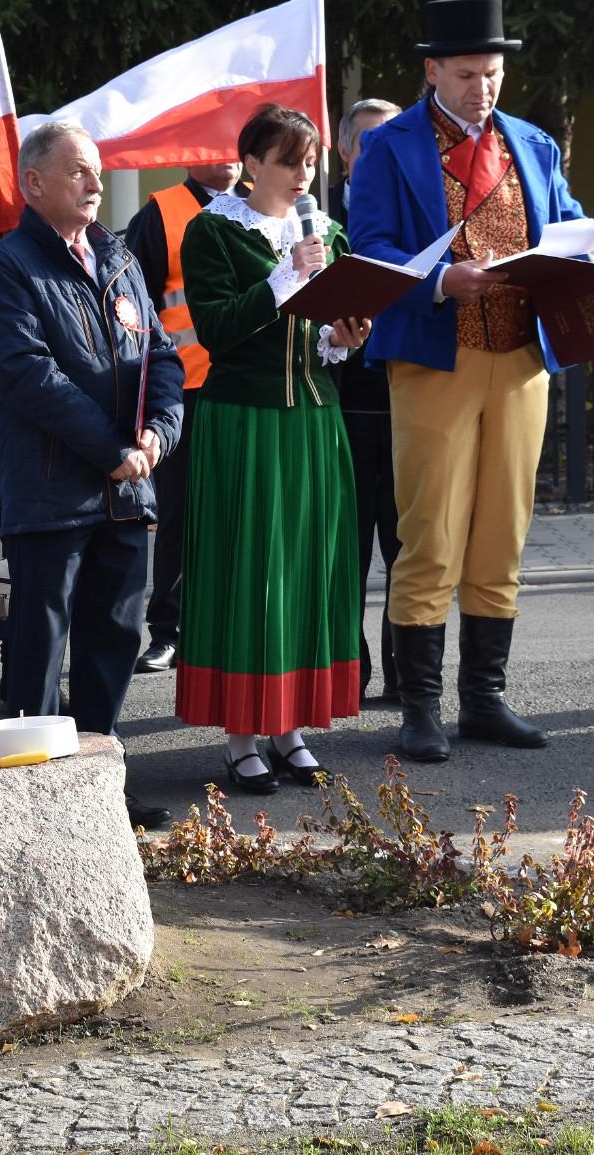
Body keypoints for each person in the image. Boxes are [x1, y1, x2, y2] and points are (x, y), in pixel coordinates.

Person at [348, 0, 585, 762]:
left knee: (501, 533)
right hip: (433, 355)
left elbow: (567, 220)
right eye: (465, 74)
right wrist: (439, 282)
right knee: (429, 533)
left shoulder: (533, 143)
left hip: (522, 358)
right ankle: (419, 705)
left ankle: (483, 697)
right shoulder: (389, 147)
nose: (482, 87)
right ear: (430, 70)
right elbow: (371, 244)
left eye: (491, 72)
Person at [0, 120, 184, 829]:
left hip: (126, 490)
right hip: (54, 491)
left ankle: (97, 791)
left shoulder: (119, 259)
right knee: (40, 649)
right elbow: (28, 377)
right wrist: (109, 448)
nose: (95, 185)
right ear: (33, 183)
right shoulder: (6, 268)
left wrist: (157, 434)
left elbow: (163, 360)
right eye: (77, 173)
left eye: (95, 172)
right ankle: (32, 805)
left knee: (113, 643)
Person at [175, 103, 370, 792]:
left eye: (309, 160)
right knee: (250, 569)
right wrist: (284, 277)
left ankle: (288, 729)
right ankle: (239, 736)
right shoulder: (211, 233)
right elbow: (217, 331)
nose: (301, 173)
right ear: (251, 163)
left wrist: (347, 337)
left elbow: (334, 340)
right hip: (245, 423)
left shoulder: (326, 231)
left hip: (314, 422)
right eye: (288, 160)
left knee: (304, 568)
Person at [125, 161, 245, 674]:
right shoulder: (160, 211)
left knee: (241, 514)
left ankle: (229, 625)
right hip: (184, 390)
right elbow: (134, 306)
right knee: (179, 514)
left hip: (247, 387)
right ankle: (169, 632)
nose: (227, 156)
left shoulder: (265, 212)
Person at [330, 99, 403, 706]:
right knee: (344, 551)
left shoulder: (417, 218)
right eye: (371, 142)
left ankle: (407, 670)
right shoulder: (315, 223)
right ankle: (346, 672)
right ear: (345, 151)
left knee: (408, 546)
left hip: (408, 403)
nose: (384, 152)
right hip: (343, 409)